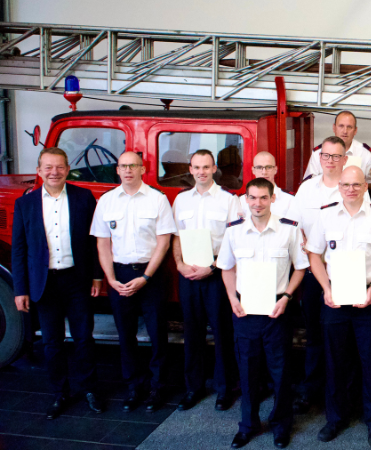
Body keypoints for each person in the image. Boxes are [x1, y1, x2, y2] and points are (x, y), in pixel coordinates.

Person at [306, 166, 371, 447]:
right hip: (335, 299)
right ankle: (336, 419)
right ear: (340, 186)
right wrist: (326, 289)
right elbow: (314, 254)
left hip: (368, 299)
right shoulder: (326, 215)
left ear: (366, 186)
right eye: (346, 184)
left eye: (357, 185)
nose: (350, 189)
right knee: (336, 362)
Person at [12, 147, 104, 419]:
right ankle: (59, 393)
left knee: (84, 338)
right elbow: (19, 249)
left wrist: (97, 276)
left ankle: (90, 389)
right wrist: (20, 289)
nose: (54, 172)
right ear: (39, 171)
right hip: (44, 283)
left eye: (60, 167)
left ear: (67, 169)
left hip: (77, 280)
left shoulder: (83, 197)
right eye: (48, 167)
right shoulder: (25, 204)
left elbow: (94, 241)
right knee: (52, 342)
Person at [218, 178, 307, 449]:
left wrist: (287, 297)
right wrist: (232, 298)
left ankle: (281, 425)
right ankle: (248, 425)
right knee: (247, 371)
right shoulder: (234, 230)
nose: (258, 203)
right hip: (245, 312)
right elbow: (227, 267)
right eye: (253, 198)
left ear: (272, 199)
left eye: (263, 198)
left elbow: (300, 267)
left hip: (276, 311)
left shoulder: (288, 230)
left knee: (280, 371)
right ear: (246, 200)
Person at [91, 151, 177, 413]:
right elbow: (102, 243)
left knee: (157, 334)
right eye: (123, 166)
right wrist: (111, 279)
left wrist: (146, 276)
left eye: (133, 166)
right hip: (119, 276)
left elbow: (164, 242)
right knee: (125, 335)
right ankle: (134, 387)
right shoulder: (106, 201)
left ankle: (157, 387)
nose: (128, 170)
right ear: (117, 170)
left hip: (151, 276)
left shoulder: (157, 200)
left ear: (144, 168)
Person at [286, 136, 352, 413]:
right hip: (315, 273)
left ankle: (340, 394)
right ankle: (311, 389)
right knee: (314, 334)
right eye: (326, 155)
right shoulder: (306, 189)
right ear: (320, 157)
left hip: (343, 274)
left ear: (345, 159)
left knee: (341, 337)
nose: (330, 161)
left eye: (336, 156)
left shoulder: (352, 186)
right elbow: (294, 225)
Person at [171, 149, 241, 412]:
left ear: (214, 169)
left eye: (206, 167)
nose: (201, 172)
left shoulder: (228, 200)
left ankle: (225, 389)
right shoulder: (181, 200)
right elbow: (177, 236)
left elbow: (234, 240)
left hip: (216, 273)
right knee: (192, 332)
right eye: (196, 167)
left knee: (223, 332)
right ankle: (194, 387)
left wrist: (212, 267)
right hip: (188, 272)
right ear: (190, 169)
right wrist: (179, 264)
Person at [304, 111, 371, 190]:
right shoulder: (319, 152)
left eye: (349, 127)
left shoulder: (365, 154)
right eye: (341, 126)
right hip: (324, 198)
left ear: (355, 130)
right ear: (334, 128)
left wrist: (357, 188)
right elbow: (309, 182)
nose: (345, 131)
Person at [240, 151, 293, 220]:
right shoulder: (241, 201)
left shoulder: (290, 200)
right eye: (259, 167)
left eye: (268, 167)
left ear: (275, 170)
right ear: (253, 170)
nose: (264, 172)